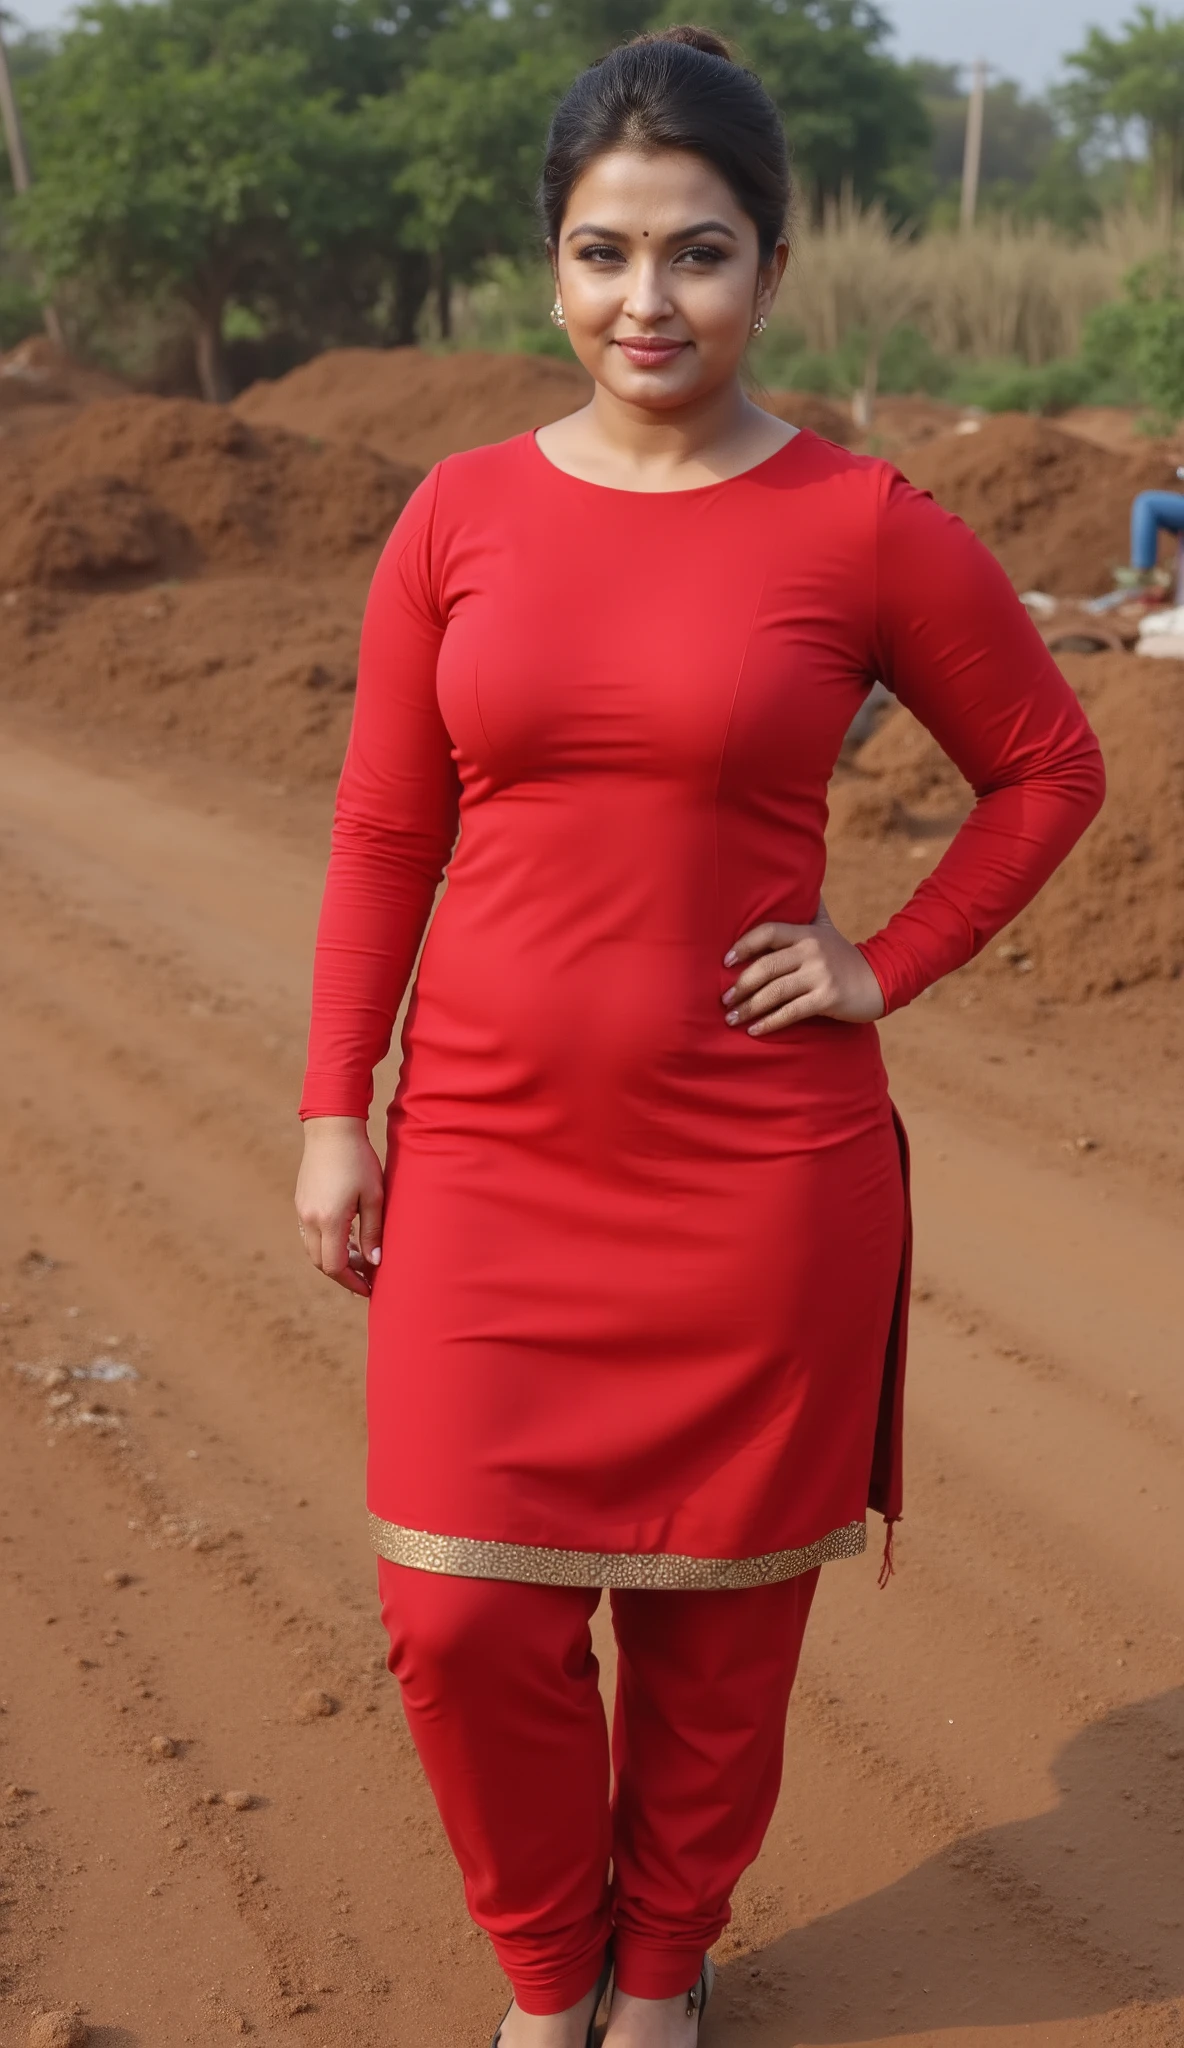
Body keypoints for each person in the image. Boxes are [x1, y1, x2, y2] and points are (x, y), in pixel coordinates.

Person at [295, 26, 1105, 2048]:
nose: (644, 301)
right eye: (601, 251)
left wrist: (881, 960)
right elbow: (389, 823)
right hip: (487, 1149)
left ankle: (655, 1974)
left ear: (770, 265)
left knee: (719, 1632)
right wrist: (336, 1105)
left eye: (696, 253)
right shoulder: (457, 515)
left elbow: (1044, 769)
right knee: (458, 1613)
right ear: (548, 265)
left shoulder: (863, 527)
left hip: (755, 1167)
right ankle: (538, 1965)